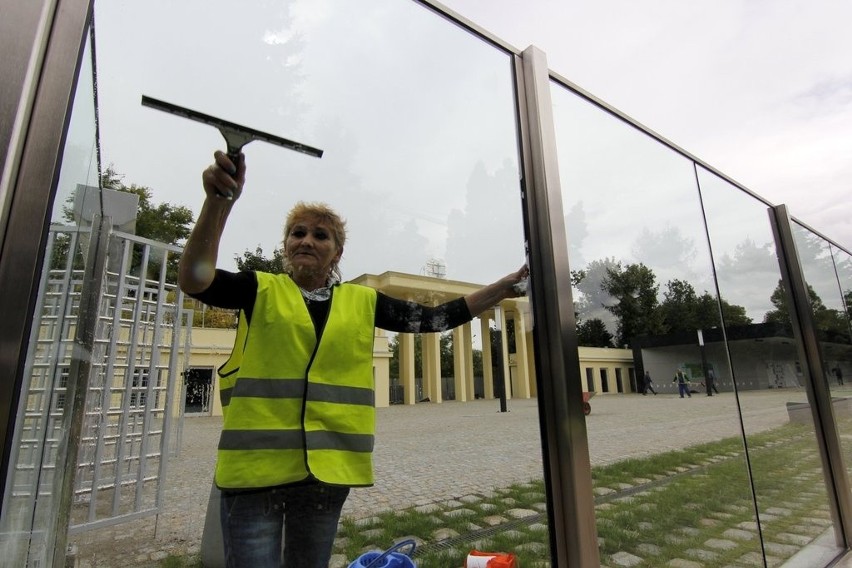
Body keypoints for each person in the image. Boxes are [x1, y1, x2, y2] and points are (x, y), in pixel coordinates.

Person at [178, 150, 529, 568]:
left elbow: (435, 318)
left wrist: (501, 288)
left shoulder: (362, 301)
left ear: (337, 253)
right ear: (286, 245)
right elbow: (195, 279)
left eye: (320, 235)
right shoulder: (259, 289)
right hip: (255, 476)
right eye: (298, 233)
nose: (307, 240)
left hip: (326, 476)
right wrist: (219, 202)